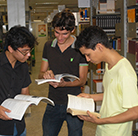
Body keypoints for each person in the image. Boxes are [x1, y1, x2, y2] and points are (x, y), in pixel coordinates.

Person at [75, 26, 138, 136]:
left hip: (116, 132)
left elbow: (134, 113)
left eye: (88, 54)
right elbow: (114, 94)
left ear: (99, 47)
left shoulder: (125, 73)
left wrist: (99, 121)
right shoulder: (109, 65)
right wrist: (91, 97)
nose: (87, 59)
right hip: (104, 129)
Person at [38, 8, 88, 136]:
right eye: (56, 32)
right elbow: (41, 72)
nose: (60, 37)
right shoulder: (48, 46)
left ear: (72, 30)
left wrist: (64, 84)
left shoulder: (80, 48)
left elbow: (82, 80)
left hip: (74, 102)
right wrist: (45, 75)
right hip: (53, 102)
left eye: (64, 34)